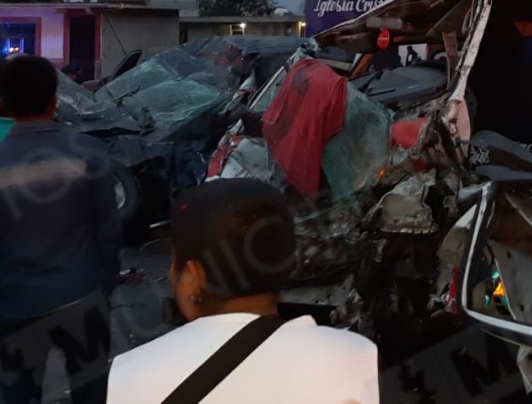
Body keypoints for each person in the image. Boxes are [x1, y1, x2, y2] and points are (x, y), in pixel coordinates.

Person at [107, 178, 380, 402]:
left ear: (192, 277)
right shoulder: (354, 357)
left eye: (174, 261)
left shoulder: (131, 375)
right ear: (290, 263)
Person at [0, 55, 120, 404]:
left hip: (14, 306)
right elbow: (109, 233)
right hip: (82, 297)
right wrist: (104, 288)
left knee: (19, 396)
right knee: (92, 393)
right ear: (55, 99)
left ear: (4, 103)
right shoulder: (89, 153)